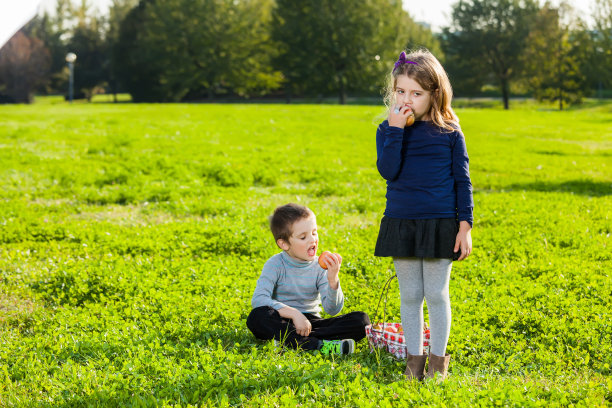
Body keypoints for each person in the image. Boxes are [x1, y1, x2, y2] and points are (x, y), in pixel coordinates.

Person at [374, 49, 474, 380]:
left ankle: (437, 364)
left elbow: (462, 180)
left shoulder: (450, 132)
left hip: (440, 223)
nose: (407, 99)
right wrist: (396, 130)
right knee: (411, 295)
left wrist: (465, 225)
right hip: (402, 222)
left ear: (434, 94)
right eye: (400, 91)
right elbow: (389, 170)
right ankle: (413, 362)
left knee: (435, 293)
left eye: (416, 93)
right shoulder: (387, 129)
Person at [247, 203, 370, 355]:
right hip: (283, 319)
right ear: (284, 244)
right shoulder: (275, 265)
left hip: (312, 323)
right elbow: (259, 299)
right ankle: (318, 345)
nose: (312, 240)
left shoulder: (320, 267)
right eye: (303, 237)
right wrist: (294, 314)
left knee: (361, 321)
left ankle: (292, 341)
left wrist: (333, 281)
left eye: (314, 233)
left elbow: (332, 310)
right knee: (257, 317)